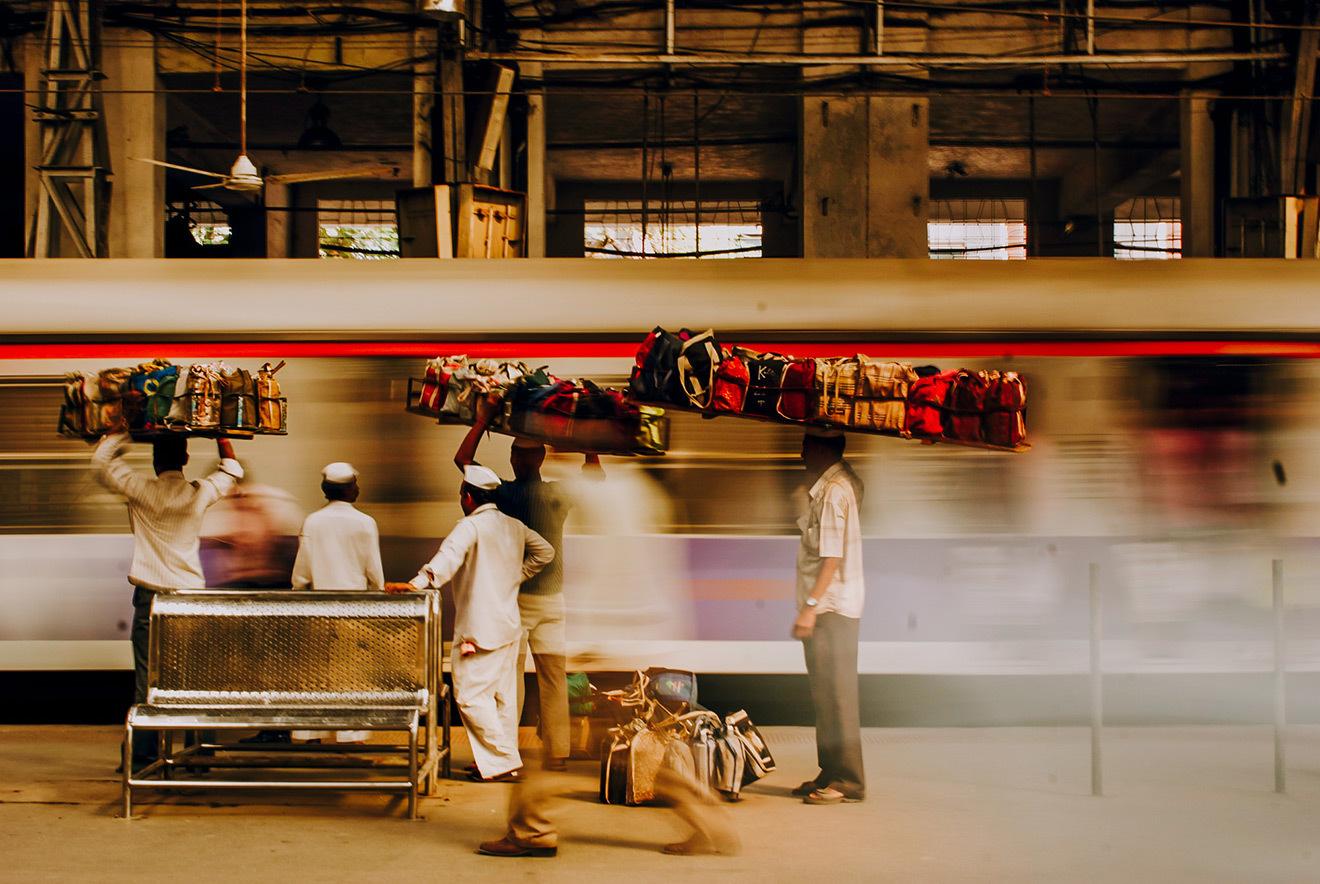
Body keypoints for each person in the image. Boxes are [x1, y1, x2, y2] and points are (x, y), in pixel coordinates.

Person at [454, 393, 602, 771]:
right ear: (541, 460)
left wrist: (483, 419)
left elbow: (464, 462)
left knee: (510, 678)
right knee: (553, 677)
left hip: (516, 600)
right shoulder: (558, 494)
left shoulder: (504, 494)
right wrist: (587, 445)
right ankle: (557, 754)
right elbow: (595, 478)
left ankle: (507, 754)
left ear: (516, 459)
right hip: (554, 599)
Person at [385, 465, 554, 782]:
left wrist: (418, 583)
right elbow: (546, 552)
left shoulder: (470, 526)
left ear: (467, 496)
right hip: (508, 626)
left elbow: (448, 557)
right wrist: (518, 575)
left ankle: (502, 762)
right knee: (502, 698)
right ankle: (499, 763)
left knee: (470, 697)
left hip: (479, 630)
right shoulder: (513, 525)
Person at [92, 430, 243, 770]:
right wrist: (221, 436)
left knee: (148, 680)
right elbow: (232, 469)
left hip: (151, 599)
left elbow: (101, 462)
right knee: (192, 677)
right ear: (186, 459)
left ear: (155, 460)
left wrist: (127, 432)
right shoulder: (200, 491)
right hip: (190, 599)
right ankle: (198, 750)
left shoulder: (139, 487)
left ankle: (143, 756)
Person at [790, 427, 866, 806]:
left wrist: (810, 607)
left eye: (806, 444)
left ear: (823, 448)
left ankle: (849, 781)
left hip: (831, 608)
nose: (801, 451)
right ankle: (830, 770)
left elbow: (831, 557)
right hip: (830, 607)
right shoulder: (835, 483)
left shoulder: (835, 491)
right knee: (824, 695)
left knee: (837, 696)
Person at [477, 755, 741, 858]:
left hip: (601, 675)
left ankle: (532, 833)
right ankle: (713, 824)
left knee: (543, 767)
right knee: (658, 774)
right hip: (615, 671)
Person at [289, 462, 385, 744]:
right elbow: (374, 574)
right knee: (353, 674)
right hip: (354, 612)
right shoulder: (365, 523)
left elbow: (301, 574)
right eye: (355, 484)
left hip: (318, 610)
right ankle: (351, 734)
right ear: (347, 489)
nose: (359, 488)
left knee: (316, 674)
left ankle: (311, 733)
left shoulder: (312, 522)